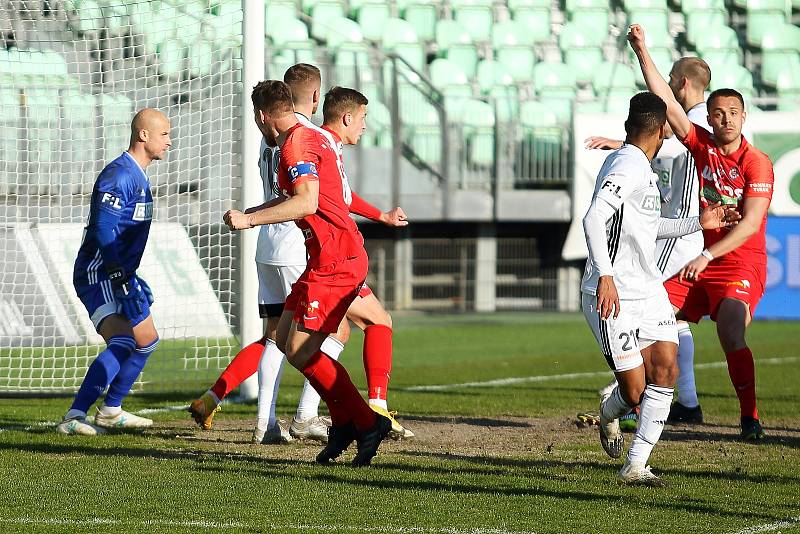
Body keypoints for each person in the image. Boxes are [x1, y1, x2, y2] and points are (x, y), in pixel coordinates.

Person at [190, 65, 414, 441]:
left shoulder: (274, 140)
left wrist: (251, 218)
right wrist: (379, 215)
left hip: (269, 243)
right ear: (314, 98)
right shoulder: (308, 136)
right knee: (348, 328)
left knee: (277, 338)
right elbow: (314, 200)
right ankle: (343, 414)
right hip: (309, 247)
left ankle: (259, 419)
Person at [224, 81, 392, 467]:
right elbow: (298, 198)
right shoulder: (307, 137)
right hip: (322, 257)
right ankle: (350, 422)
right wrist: (255, 210)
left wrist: (249, 220)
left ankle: (363, 422)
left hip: (337, 259)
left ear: (262, 116)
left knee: (302, 348)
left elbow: (306, 201)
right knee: (285, 339)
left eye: (255, 117)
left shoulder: (296, 144)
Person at [581, 91, 738, 485]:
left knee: (665, 369)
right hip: (612, 291)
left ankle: (635, 465)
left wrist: (698, 222)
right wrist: (605, 276)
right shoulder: (628, 166)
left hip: (647, 289)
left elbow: (649, 228)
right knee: (634, 393)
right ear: (664, 127)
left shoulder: (642, 167)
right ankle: (609, 409)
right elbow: (593, 218)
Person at [630, 24, 775, 441]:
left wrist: (708, 255)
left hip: (738, 261)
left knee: (730, 329)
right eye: (718, 114)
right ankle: (643, 404)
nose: (726, 120)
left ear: (744, 117)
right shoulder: (702, 145)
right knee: (646, 314)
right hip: (701, 260)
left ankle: (750, 417)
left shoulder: (757, 163)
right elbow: (666, 104)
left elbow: (749, 223)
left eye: (733, 113)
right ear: (708, 117)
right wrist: (643, 50)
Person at [585, 57, 715, 425]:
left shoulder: (700, 118)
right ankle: (680, 401)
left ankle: (634, 395)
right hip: (676, 224)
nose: (670, 86)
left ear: (685, 83)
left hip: (678, 230)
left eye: (673, 80)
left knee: (649, 303)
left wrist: (626, 144)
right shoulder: (685, 124)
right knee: (671, 317)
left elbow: (672, 145)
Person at [57, 109, 171, 435]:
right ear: (143, 135)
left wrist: (129, 275)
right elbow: (105, 229)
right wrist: (119, 276)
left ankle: (110, 410)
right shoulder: (119, 175)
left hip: (120, 272)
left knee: (146, 340)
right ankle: (74, 416)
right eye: (164, 134)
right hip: (99, 272)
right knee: (122, 340)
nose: (169, 141)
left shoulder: (137, 175)